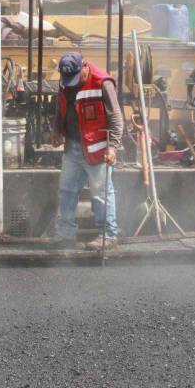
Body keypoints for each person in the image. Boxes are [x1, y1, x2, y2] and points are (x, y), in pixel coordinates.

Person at [51, 52, 123, 251]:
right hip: (73, 146)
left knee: (101, 193)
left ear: (84, 67)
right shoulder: (66, 82)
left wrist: (113, 146)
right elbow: (61, 107)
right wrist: (57, 129)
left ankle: (108, 235)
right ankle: (65, 233)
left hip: (97, 149)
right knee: (66, 191)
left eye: (76, 78)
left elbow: (116, 117)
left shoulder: (102, 82)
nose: (72, 83)